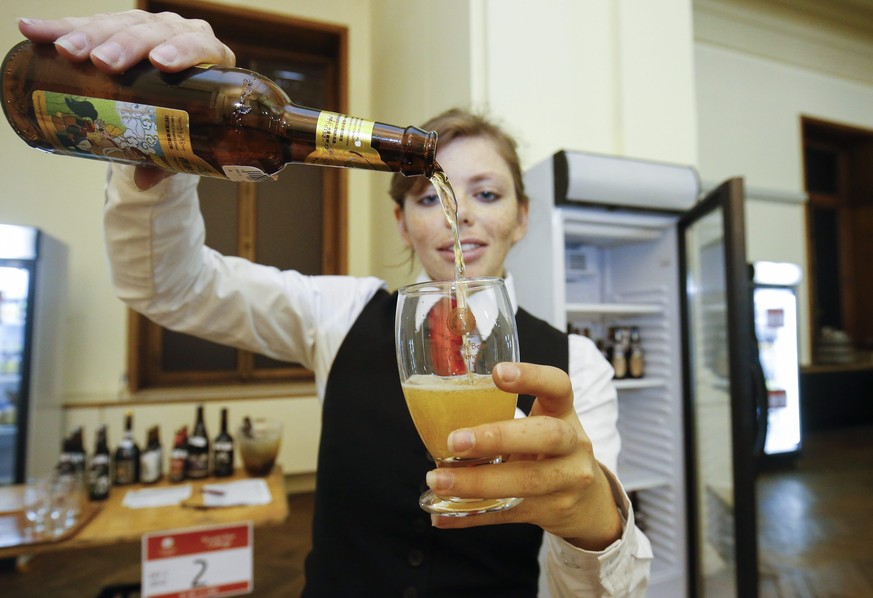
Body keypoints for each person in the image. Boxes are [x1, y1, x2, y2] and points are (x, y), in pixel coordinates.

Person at [20, 10, 652, 597]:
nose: (461, 219)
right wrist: (156, 141)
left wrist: (591, 521)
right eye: (432, 199)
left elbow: (596, 589)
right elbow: (169, 286)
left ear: (522, 218)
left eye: (487, 194)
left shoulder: (577, 366)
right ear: (403, 224)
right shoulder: (340, 313)